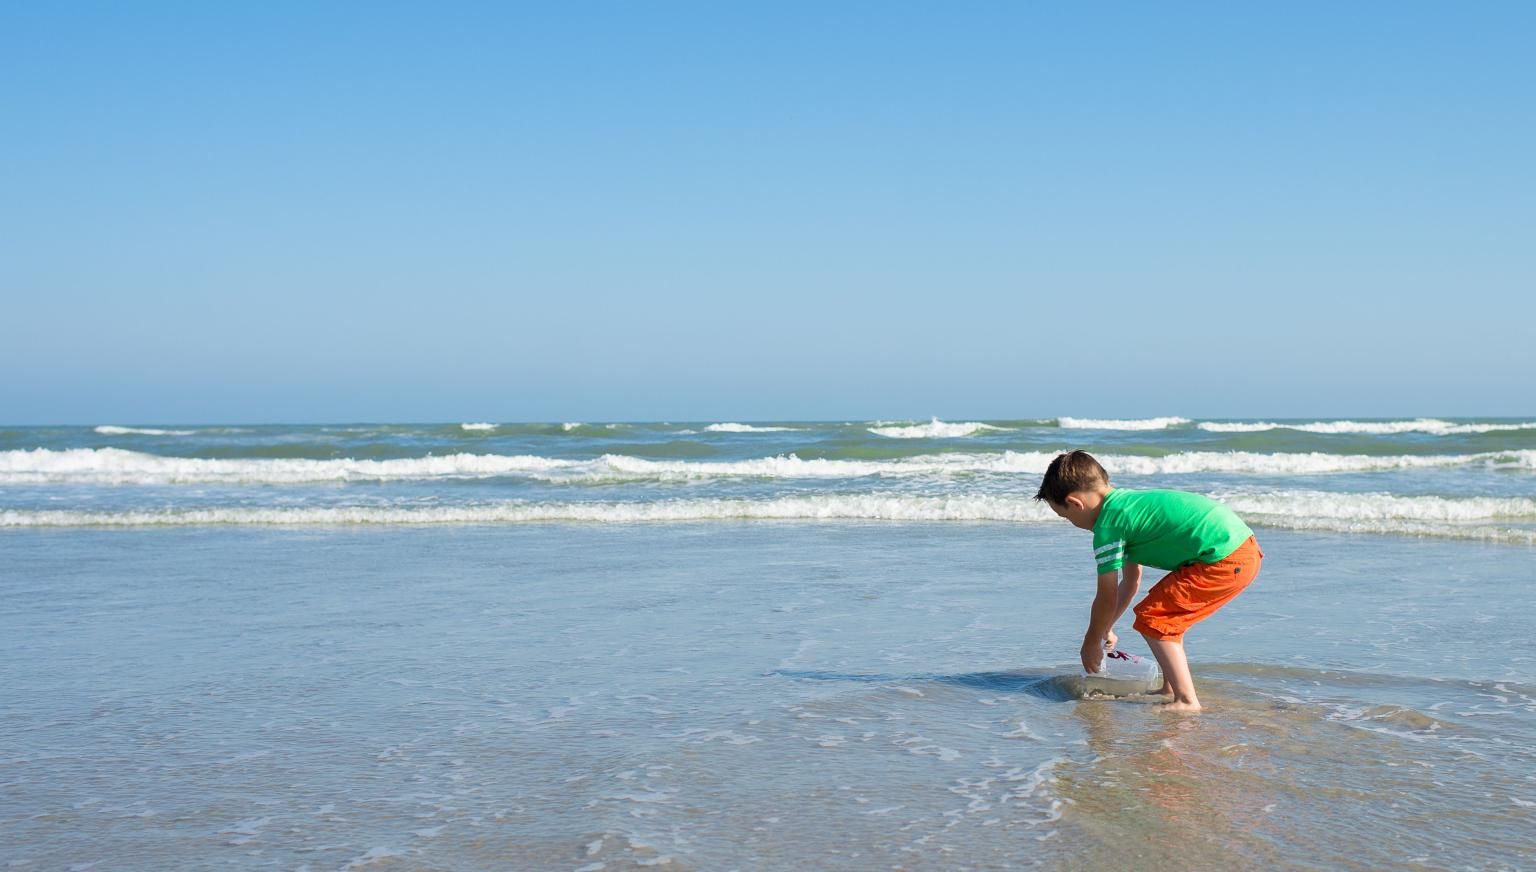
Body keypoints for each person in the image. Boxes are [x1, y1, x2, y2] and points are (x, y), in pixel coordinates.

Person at [1035, 450, 1263, 712]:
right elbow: (1132, 581)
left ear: (1076, 503)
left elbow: (1106, 594)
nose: (1071, 523)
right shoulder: (1125, 507)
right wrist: (1106, 626)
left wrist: (1090, 641)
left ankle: (1187, 701)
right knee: (1165, 616)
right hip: (1238, 550)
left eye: (1066, 517)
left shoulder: (1108, 526)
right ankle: (1171, 688)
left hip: (1226, 558)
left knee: (1155, 619)